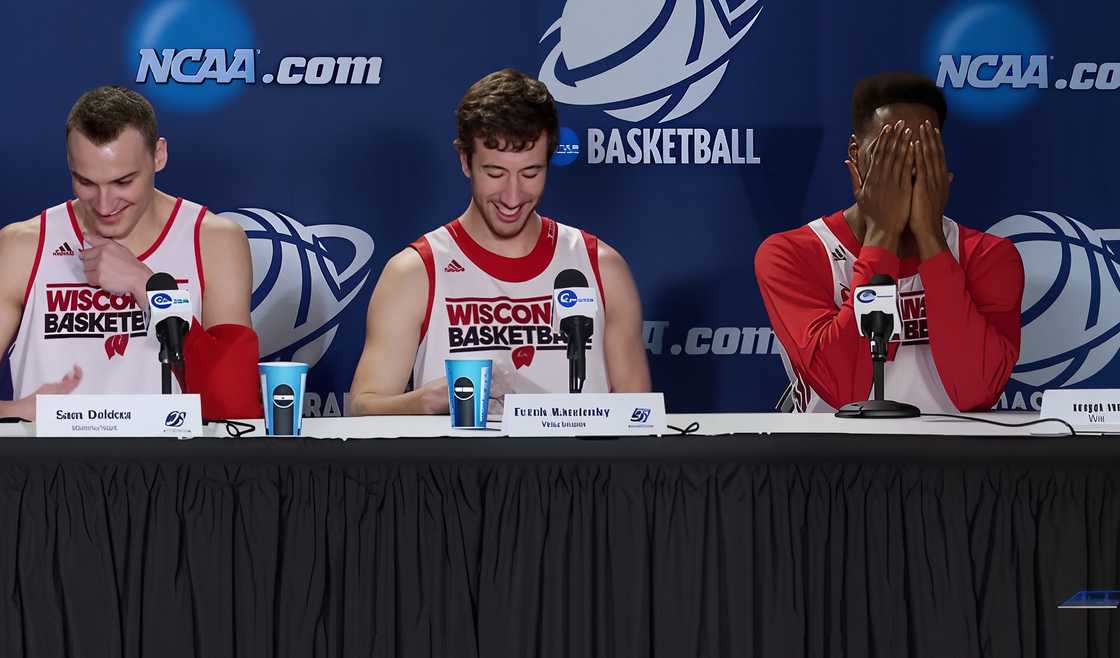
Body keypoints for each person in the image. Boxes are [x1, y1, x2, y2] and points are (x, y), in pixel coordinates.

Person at [350, 68, 650, 415]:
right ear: (466, 162)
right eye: (495, 173)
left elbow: (638, 415)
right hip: (457, 469)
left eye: (530, 173)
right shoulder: (415, 271)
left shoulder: (601, 266)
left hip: (579, 469)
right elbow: (361, 409)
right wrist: (425, 401)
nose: (512, 196)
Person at [755, 72, 1024, 413]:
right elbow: (843, 388)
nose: (905, 168)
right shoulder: (791, 255)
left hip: (954, 460)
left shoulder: (989, 256)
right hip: (832, 459)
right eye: (888, 152)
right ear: (856, 155)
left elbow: (976, 390)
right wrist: (882, 235)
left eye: (919, 153)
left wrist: (930, 237)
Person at [0, 85, 262, 420]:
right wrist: (15, 410)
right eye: (86, 182)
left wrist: (148, 286)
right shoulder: (24, 245)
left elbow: (235, 405)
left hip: (173, 469)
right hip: (51, 469)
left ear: (159, 155)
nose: (105, 204)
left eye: (123, 182)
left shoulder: (212, 241)